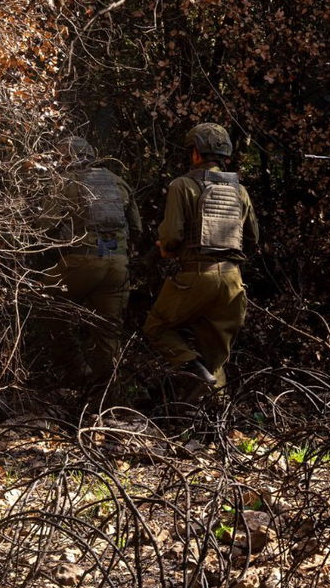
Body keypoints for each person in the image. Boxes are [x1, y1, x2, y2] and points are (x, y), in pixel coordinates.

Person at [143, 122, 259, 395]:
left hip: (195, 275)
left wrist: (167, 247)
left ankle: (194, 368)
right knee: (216, 356)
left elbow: (171, 237)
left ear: (195, 153)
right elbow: (252, 240)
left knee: (156, 328)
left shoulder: (182, 185)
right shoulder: (240, 191)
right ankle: (212, 425)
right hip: (233, 281)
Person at [39, 135, 141, 388]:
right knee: (109, 331)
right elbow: (137, 229)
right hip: (117, 264)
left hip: (82, 262)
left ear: (66, 158)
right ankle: (103, 397)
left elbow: (43, 227)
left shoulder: (68, 184)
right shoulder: (118, 182)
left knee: (42, 302)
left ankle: (77, 370)